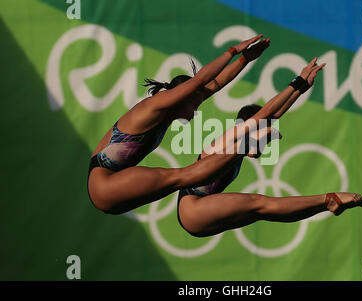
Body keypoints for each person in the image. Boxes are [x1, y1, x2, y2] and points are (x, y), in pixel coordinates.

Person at [177, 59, 362, 238]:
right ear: (249, 126)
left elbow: (273, 114)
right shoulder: (228, 137)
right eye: (260, 132)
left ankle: (326, 204)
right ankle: (328, 200)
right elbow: (266, 113)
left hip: (200, 216)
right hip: (193, 207)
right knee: (261, 203)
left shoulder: (241, 141)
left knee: (266, 210)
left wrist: (301, 89)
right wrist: (297, 81)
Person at [87, 34, 272, 214]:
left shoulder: (170, 111)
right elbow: (200, 80)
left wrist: (245, 59)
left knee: (185, 178)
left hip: (112, 191)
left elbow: (215, 84)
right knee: (183, 176)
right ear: (181, 97)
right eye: (194, 104)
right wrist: (233, 51)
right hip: (105, 184)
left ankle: (242, 149)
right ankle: (244, 146)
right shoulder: (154, 106)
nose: (196, 111)